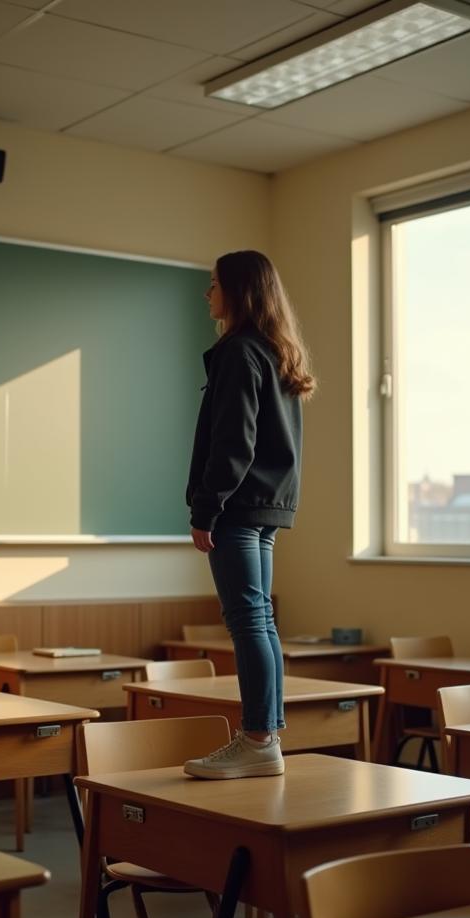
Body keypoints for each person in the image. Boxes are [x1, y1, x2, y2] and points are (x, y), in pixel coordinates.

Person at [183, 250, 315, 780]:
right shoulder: (274, 351)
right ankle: (266, 735)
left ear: (238, 291)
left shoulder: (239, 352)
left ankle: (258, 739)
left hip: (237, 507)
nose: (207, 293)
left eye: (214, 284)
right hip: (267, 506)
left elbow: (234, 442)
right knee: (260, 620)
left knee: (248, 621)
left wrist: (205, 508)